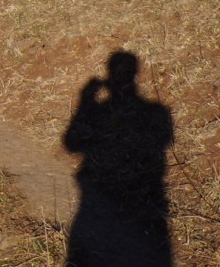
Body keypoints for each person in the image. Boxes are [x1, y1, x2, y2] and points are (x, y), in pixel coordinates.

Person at [63, 51, 174, 267]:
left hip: (108, 193)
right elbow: (166, 140)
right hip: (147, 193)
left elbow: (71, 143)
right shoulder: (157, 112)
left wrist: (85, 101)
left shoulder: (102, 112)